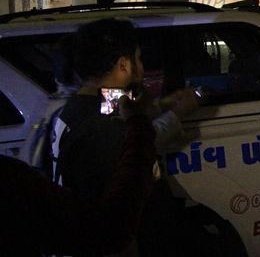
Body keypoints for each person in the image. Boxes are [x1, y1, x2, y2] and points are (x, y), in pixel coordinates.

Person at [55, 18, 206, 256]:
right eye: (138, 58)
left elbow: (122, 109)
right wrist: (177, 113)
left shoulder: (80, 105)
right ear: (124, 65)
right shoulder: (102, 131)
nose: (141, 66)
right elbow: (115, 223)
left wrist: (164, 104)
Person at [0, 93, 156, 256]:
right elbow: (107, 230)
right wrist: (140, 126)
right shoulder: (10, 181)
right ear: (122, 66)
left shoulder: (69, 109)